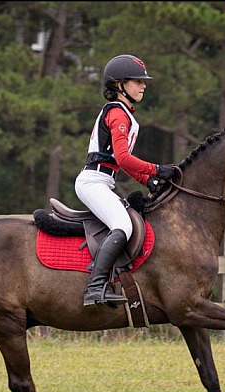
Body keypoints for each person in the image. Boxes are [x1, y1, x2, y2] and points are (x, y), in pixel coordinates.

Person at [75, 54, 175, 308]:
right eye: (136, 81)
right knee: (123, 224)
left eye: (143, 82)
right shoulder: (118, 114)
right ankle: (95, 288)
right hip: (93, 182)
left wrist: (149, 181)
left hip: (103, 181)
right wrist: (158, 170)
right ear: (119, 84)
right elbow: (124, 158)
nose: (143, 86)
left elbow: (120, 163)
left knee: (129, 221)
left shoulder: (127, 116)